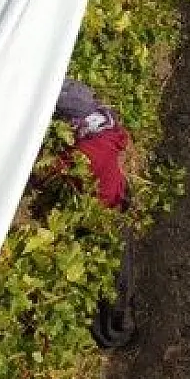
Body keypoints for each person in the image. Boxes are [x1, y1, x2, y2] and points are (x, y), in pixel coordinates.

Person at [53, 79, 137, 349]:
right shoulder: (106, 126)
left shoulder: (85, 153)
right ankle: (121, 315)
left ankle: (116, 332)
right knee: (122, 269)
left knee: (114, 278)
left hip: (102, 218)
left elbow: (52, 173)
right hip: (117, 202)